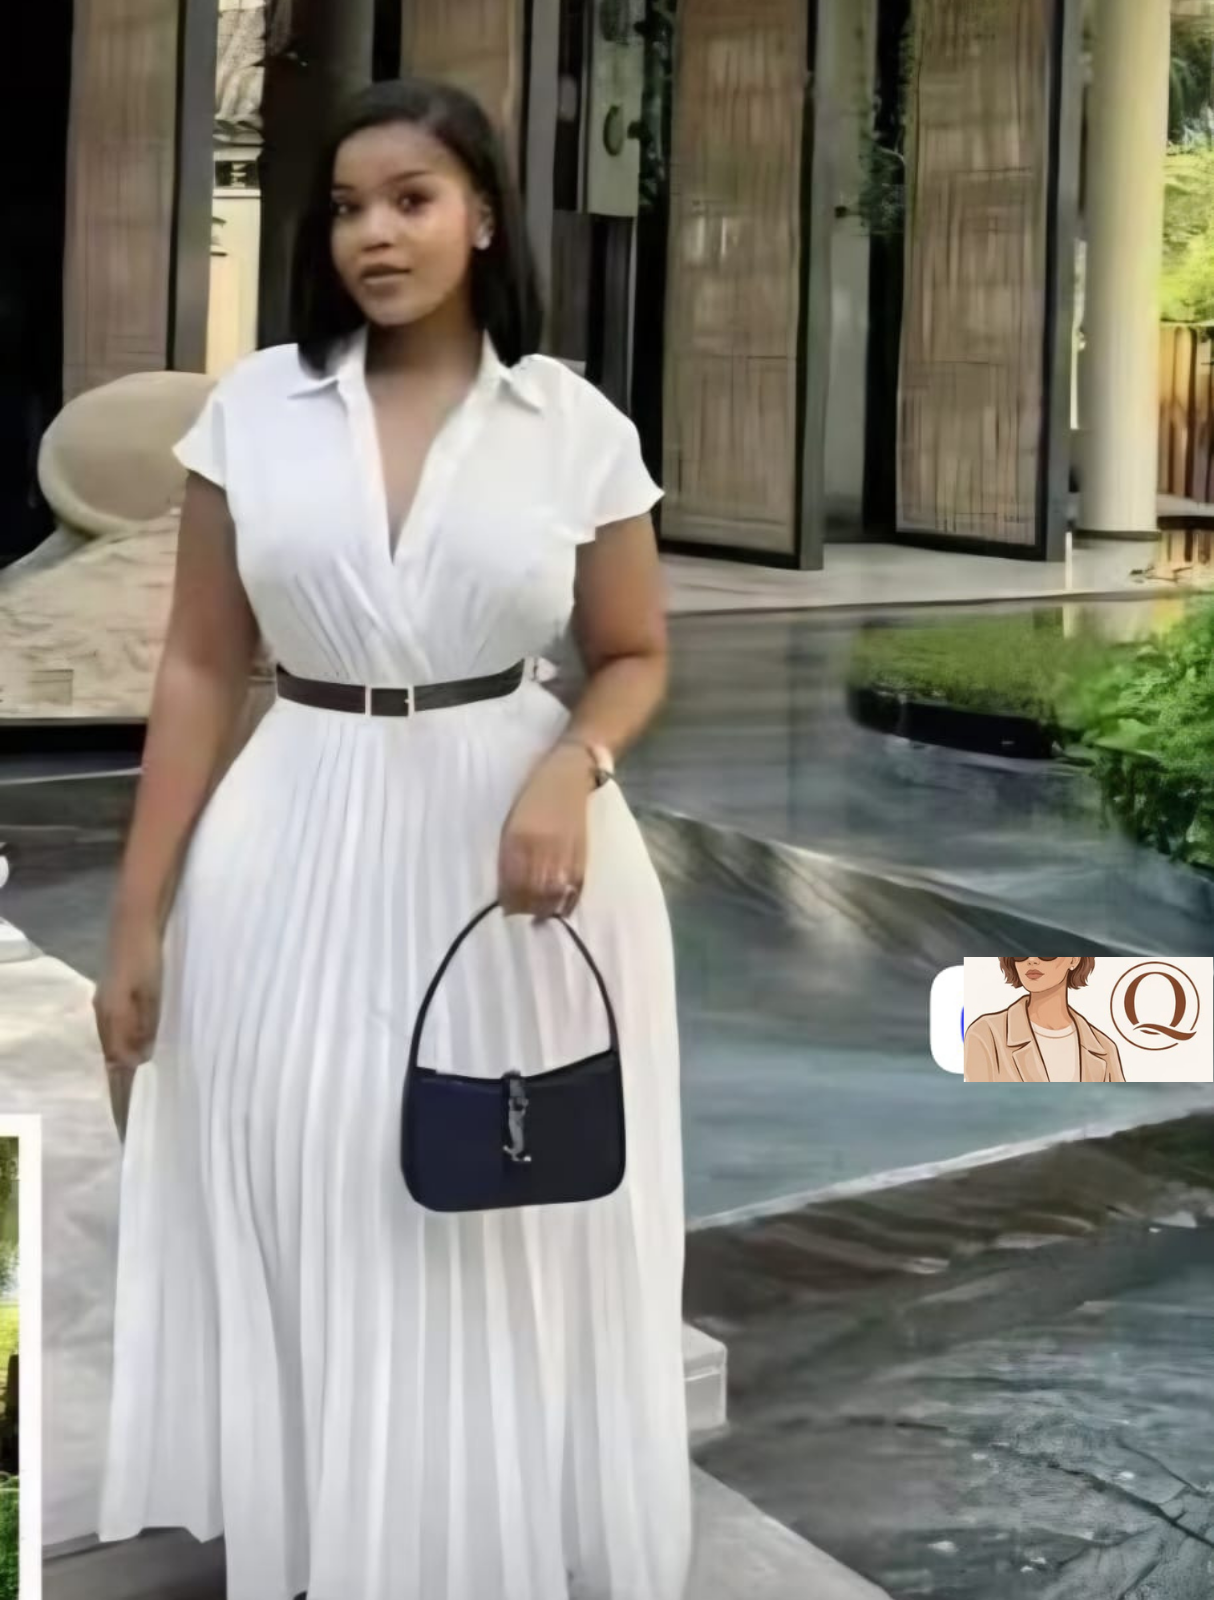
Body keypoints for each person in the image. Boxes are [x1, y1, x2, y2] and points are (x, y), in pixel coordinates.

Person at [92, 77, 691, 1600]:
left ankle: (474, 1535)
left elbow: (632, 653)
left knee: (490, 1196)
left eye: (411, 199)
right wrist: (137, 919)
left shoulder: (573, 425)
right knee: (311, 1166)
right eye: (348, 207)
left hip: (515, 863)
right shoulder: (255, 413)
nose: (375, 233)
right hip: (290, 827)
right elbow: (198, 666)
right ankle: (334, 1536)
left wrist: (569, 766)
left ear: (481, 215)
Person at [964, 957, 1126, 1082]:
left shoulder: (1104, 1048)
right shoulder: (985, 1034)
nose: (1032, 960)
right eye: (1020, 953)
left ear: (1074, 959)